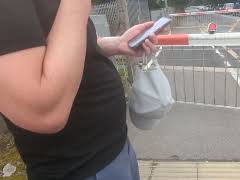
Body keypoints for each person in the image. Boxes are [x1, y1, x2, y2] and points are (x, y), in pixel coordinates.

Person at [0, 0, 158, 179]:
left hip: (115, 148)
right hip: (81, 167)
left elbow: (59, 46)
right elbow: (45, 114)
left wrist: (115, 44)